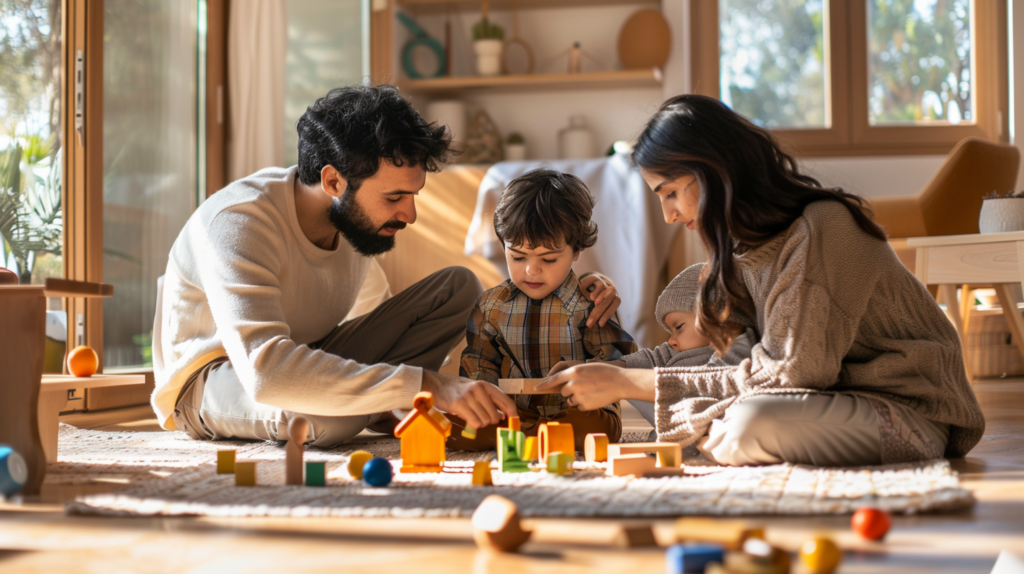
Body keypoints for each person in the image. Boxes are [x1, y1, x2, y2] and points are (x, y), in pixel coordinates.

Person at [151, 85, 621, 447]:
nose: (409, 214)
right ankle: (367, 409)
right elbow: (267, 371)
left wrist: (578, 286)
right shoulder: (239, 222)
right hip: (217, 378)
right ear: (333, 181)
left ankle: (378, 408)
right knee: (325, 416)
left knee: (458, 287)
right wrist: (427, 385)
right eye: (395, 196)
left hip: (309, 352)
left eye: (413, 195)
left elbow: (382, 337)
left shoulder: (354, 225)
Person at [541, 94, 985, 467]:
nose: (669, 215)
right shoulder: (744, 254)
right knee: (704, 406)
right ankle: (711, 434)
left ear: (713, 169)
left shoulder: (822, 227)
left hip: (907, 411)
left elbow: (793, 373)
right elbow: (713, 360)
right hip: (828, 400)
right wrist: (612, 372)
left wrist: (628, 385)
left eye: (671, 192)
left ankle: (714, 437)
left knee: (748, 424)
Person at [453, 169, 637, 450]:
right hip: (514, 411)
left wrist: (587, 379)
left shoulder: (591, 303)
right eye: (518, 256)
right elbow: (478, 362)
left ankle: (528, 436)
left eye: (548, 259)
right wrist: (484, 399)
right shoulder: (491, 306)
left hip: (577, 411)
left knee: (594, 429)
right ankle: (537, 435)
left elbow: (617, 362)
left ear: (576, 251)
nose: (531, 270)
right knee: (458, 425)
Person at [621, 262, 754, 429]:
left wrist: (620, 381)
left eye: (678, 327)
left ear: (715, 317)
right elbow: (655, 357)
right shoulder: (682, 349)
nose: (671, 340)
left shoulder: (741, 347)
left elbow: (714, 382)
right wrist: (613, 367)